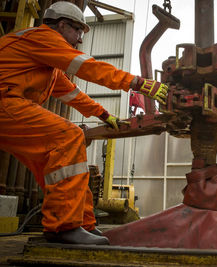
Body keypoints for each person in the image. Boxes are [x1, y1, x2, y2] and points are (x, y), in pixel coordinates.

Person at [0, 1, 168, 245]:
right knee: (68, 136)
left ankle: (81, 224)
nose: (79, 39)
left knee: (55, 160)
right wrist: (138, 83)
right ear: (61, 25)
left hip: (9, 107)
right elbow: (88, 68)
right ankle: (64, 227)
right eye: (78, 30)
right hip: (5, 103)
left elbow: (71, 94)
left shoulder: (45, 63)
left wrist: (103, 114)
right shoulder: (43, 38)